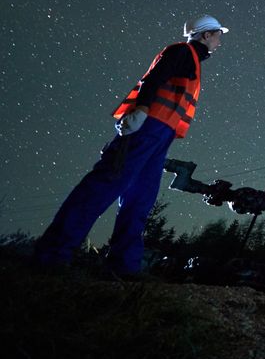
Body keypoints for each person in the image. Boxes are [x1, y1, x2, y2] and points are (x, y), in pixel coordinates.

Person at [33, 14, 229, 275]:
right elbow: (154, 78)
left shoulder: (192, 60)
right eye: (218, 35)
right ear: (206, 35)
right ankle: (52, 258)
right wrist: (141, 109)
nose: (219, 41)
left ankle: (123, 266)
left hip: (160, 136)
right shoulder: (181, 52)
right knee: (102, 187)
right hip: (146, 129)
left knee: (140, 200)